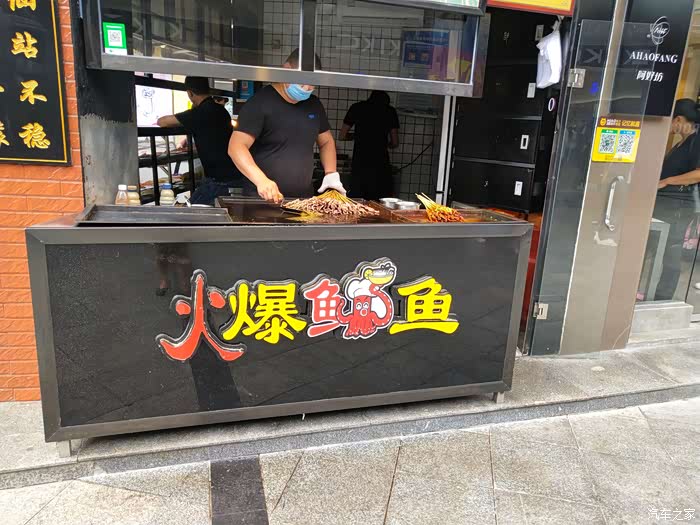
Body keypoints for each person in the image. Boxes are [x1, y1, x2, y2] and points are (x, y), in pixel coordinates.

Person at [228, 50, 345, 203]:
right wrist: (261, 180)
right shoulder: (260, 103)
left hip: (303, 201)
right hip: (264, 200)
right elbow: (236, 147)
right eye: (302, 83)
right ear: (287, 70)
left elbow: (326, 141)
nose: (306, 89)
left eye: (311, 85)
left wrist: (331, 173)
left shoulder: (314, 105)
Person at [157, 77, 242, 205]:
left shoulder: (199, 113)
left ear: (190, 93)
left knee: (191, 210)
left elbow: (162, 122)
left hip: (218, 180)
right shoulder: (222, 111)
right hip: (232, 174)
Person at [651, 99, 700, 300]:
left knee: (671, 251)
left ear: (678, 119)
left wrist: (666, 181)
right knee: (660, 248)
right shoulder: (682, 142)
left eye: (670, 119)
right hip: (667, 205)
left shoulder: (696, 140)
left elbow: (698, 174)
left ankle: (662, 297)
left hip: (679, 207)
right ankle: (653, 292)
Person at [339, 90, 400, 200]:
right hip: (380, 163)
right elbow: (395, 142)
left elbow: (342, 135)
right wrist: (385, 144)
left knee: (358, 199)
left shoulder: (356, 108)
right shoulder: (390, 111)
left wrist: (357, 136)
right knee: (379, 199)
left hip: (359, 162)